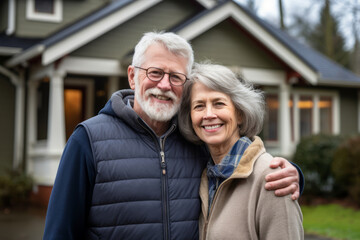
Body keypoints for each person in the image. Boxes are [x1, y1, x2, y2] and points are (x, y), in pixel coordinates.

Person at [43, 32, 303, 240]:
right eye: (155, 72)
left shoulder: (197, 140)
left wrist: (294, 175)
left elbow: (240, 165)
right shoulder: (88, 139)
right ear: (133, 77)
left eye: (176, 77)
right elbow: (60, 232)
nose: (164, 85)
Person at [178, 63, 304, 240]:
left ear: (240, 114)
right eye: (199, 106)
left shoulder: (273, 178)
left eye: (218, 103)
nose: (208, 114)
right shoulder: (206, 176)